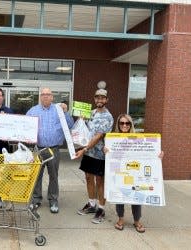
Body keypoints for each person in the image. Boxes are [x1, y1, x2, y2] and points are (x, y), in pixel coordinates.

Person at [107, 114, 163, 233]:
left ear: (131, 124)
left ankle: (137, 220)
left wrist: (157, 154)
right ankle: (121, 219)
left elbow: (149, 149)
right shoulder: (113, 139)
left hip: (135, 172)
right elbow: (110, 156)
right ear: (118, 124)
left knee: (136, 195)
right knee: (119, 195)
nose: (124, 125)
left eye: (127, 123)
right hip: (119, 171)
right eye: (122, 123)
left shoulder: (138, 138)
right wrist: (106, 151)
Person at [26, 87, 74, 213]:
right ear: (40, 97)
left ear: (52, 97)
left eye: (48, 94)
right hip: (38, 149)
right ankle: (36, 199)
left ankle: (53, 199)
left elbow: (70, 125)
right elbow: (25, 126)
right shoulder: (32, 111)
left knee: (53, 176)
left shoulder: (59, 110)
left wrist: (65, 112)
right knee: (37, 176)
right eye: (43, 94)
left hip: (54, 149)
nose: (46, 96)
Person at [75, 86, 113, 224]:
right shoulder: (91, 113)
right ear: (94, 99)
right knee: (88, 177)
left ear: (106, 100)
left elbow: (98, 136)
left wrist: (84, 149)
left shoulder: (108, 117)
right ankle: (91, 204)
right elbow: (84, 131)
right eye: (97, 97)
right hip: (88, 152)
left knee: (100, 181)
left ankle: (101, 209)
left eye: (103, 97)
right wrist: (81, 120)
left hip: (100, 154)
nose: (100, 100)